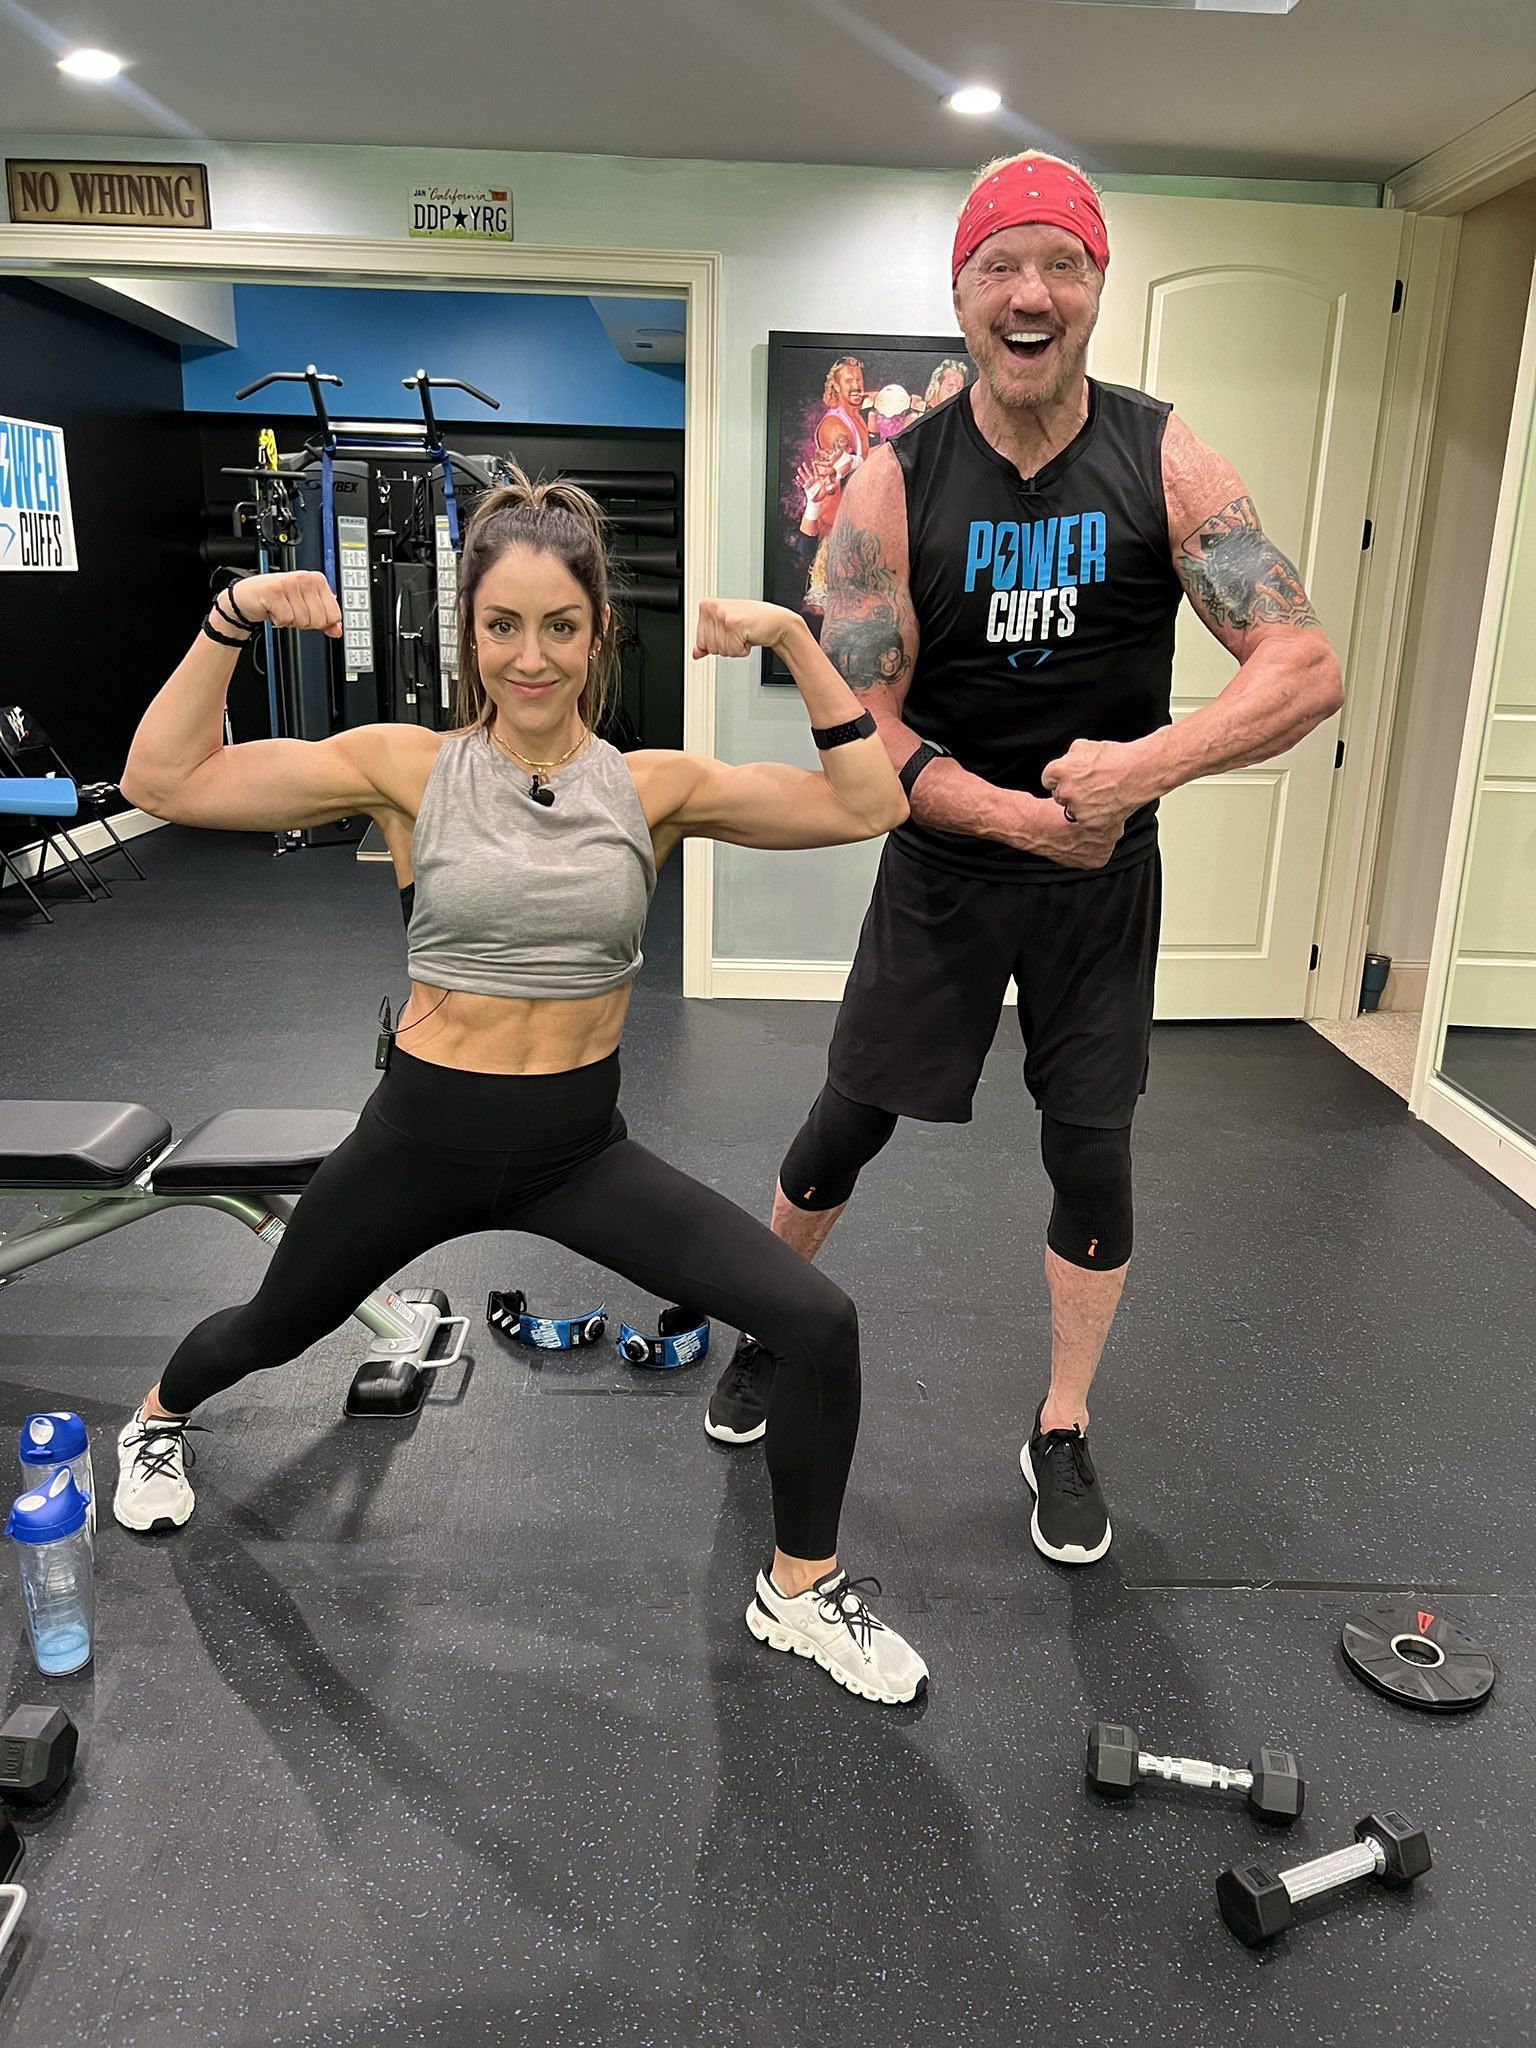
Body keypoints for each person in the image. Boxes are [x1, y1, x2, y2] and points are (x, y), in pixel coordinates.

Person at [112, 473, 928, 1708]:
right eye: (502, 624)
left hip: (575, 1150)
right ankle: (157, 1415)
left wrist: (794, 637)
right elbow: (162, 781)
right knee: (272, 1327)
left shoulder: (651, 788)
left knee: (818, 1320)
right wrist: (232, 616)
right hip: (420, 1134)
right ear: (470, 635)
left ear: (599, 633)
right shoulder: (406, 768)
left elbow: (870, 801)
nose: (530, 655)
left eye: (559, 624)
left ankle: (800, 1588)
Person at [704, 152, 1344, 1570]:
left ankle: (1060, 1424)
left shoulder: (1168, 456)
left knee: (1092, 1150)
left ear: (1099, 288)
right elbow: (863, 723)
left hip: (1105, 877)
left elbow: (1302, 666)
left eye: (1062, 265)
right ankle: (767, 1330)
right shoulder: (893, 480)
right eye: (1003, 267)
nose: (1032, 293)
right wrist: (1009, 814)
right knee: (846, 1124)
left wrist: (1137, 771)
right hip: (944, 866)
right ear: (962, 291)